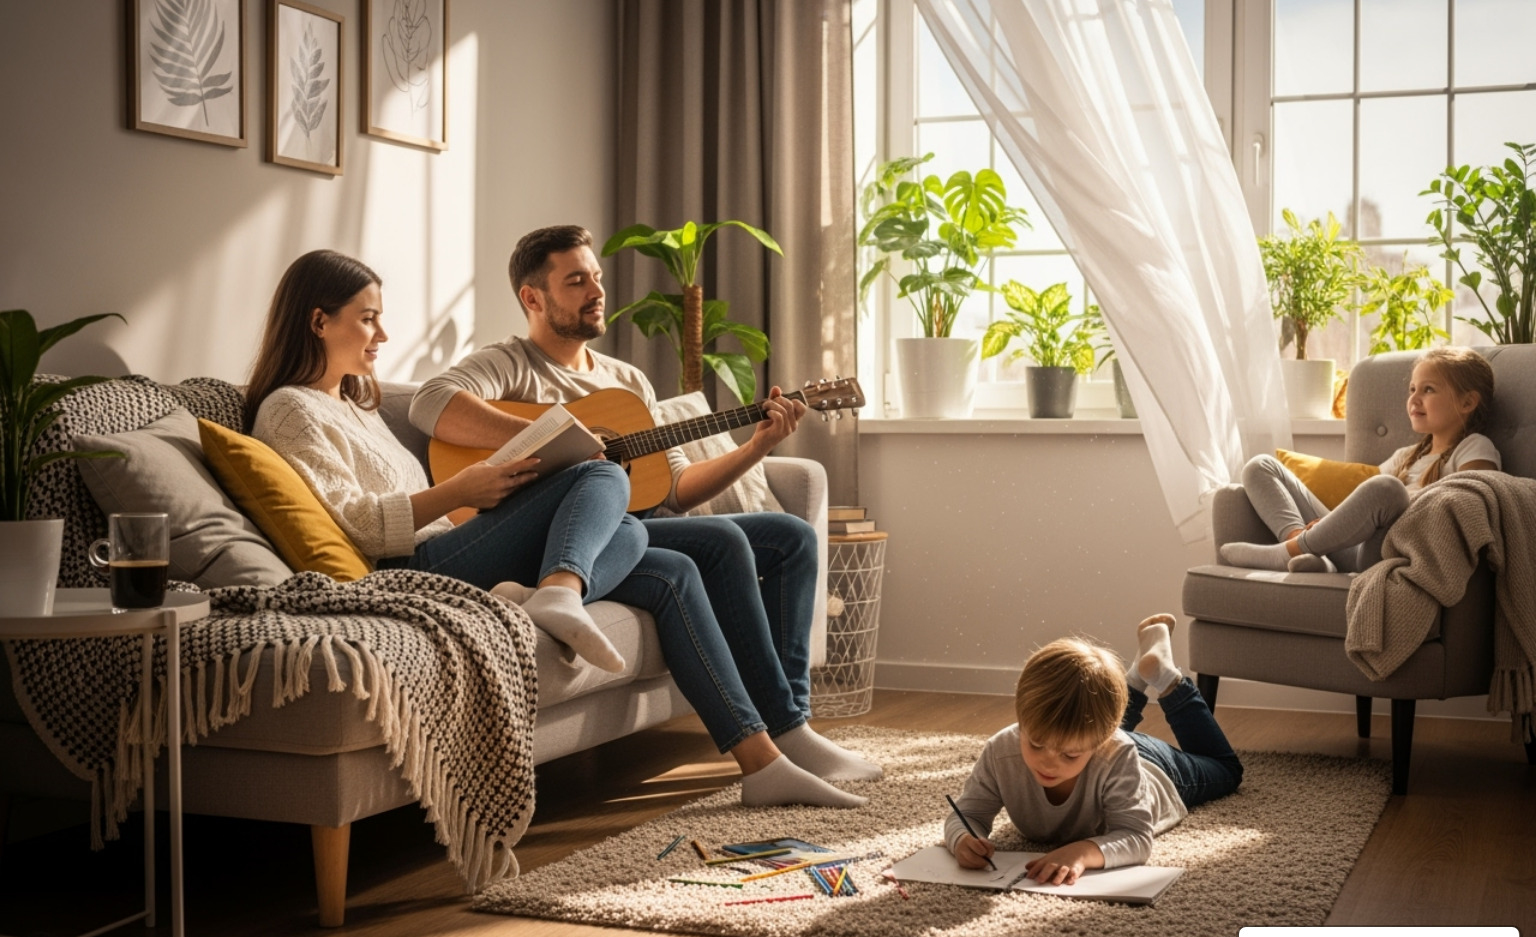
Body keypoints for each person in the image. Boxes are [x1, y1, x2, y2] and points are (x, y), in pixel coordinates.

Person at [406, 225, 882, 809]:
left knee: (787, 537)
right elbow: (431, 404)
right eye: (576, 280)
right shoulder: (510, 365)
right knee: (718, 546)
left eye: (596, 278)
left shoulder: (626, 382)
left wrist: (756, 446)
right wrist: (559, 436)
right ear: (533, 298)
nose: (595, 290)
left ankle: (792, 728)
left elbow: (676, 489)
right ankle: (776, 736)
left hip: (626, 525)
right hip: (536, 533)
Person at [245, 249, 645, 674]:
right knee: (602, 473)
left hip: (443, 547)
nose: (382, 334)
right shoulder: (289, 410)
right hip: (405, 569)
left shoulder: (355, 406)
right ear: (319, 322)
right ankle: (557, 596)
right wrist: (460, 491)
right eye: (368, 319)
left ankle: (539, 597)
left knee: (631, 531)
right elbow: (359, 524)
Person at [947, 614, 1242, 884]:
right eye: (1036, 744)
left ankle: (1165, 677)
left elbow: (1137, 837)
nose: (1049, 763)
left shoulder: (1116, 752)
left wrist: (1081, 852)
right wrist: (963, 838)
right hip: (1098, 744)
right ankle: (1138, 674)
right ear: (1020, 719)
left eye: (1069, 755)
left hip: (1152, 768)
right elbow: (968, 813)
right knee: (1091, 721)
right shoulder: (1001, 751)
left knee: (1227, 770)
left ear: (1101, 740)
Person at [1222, 347, 1500, 573]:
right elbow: (1362, 503)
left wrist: (1399, 498)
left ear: (1467, 403)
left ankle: (1294, 552)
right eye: (1412, 389)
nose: (1414, 398)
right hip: (1351, 547)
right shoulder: (1406, 456)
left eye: (1428, 390)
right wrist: (1328, 525)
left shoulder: (1475, 447)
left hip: (1388, 553)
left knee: (1387, 489)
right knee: (1261, 466)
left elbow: (1472, 504)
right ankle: (1302, 547)